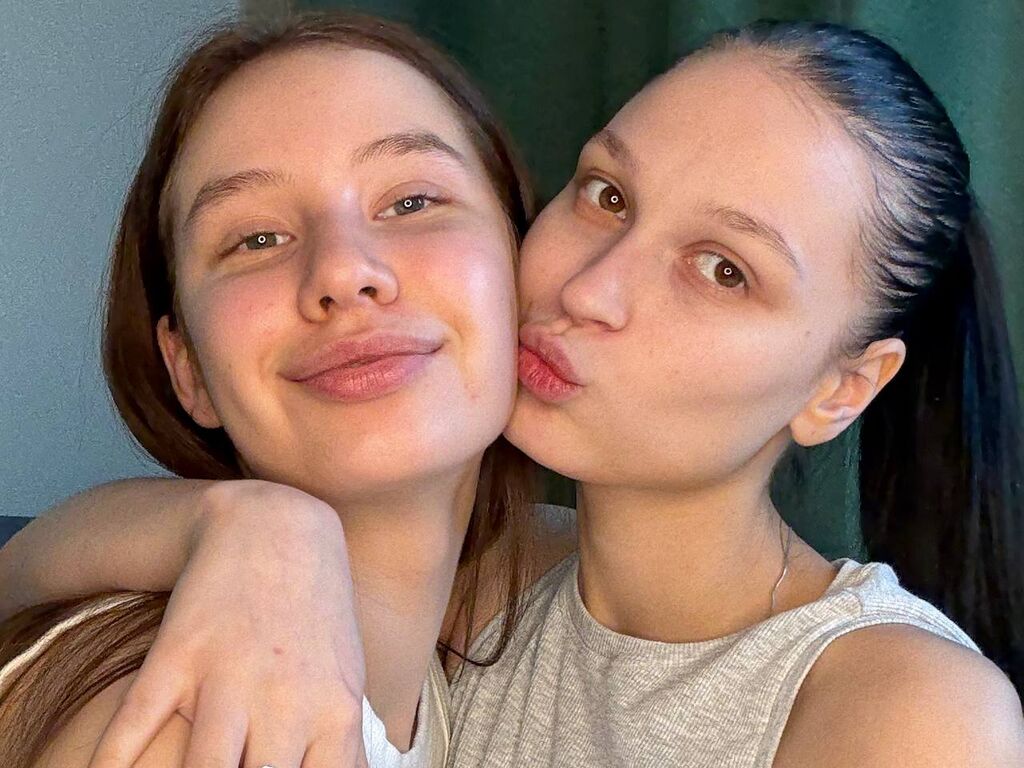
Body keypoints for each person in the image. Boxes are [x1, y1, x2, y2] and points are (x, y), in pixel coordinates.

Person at [4, 17, 1024, 768]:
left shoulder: (903, 710)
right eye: (607, 195)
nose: (589, 289)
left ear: (843, 388)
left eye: (723, 270)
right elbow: (24, 573)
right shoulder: (484, 569)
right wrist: (244, 526)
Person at [0, 12, 540, 768]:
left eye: (412, 202)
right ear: (189, 369)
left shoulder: (466, 652)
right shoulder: (185, 727)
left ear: (526, 272)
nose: (343, 272)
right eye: (256, 239)